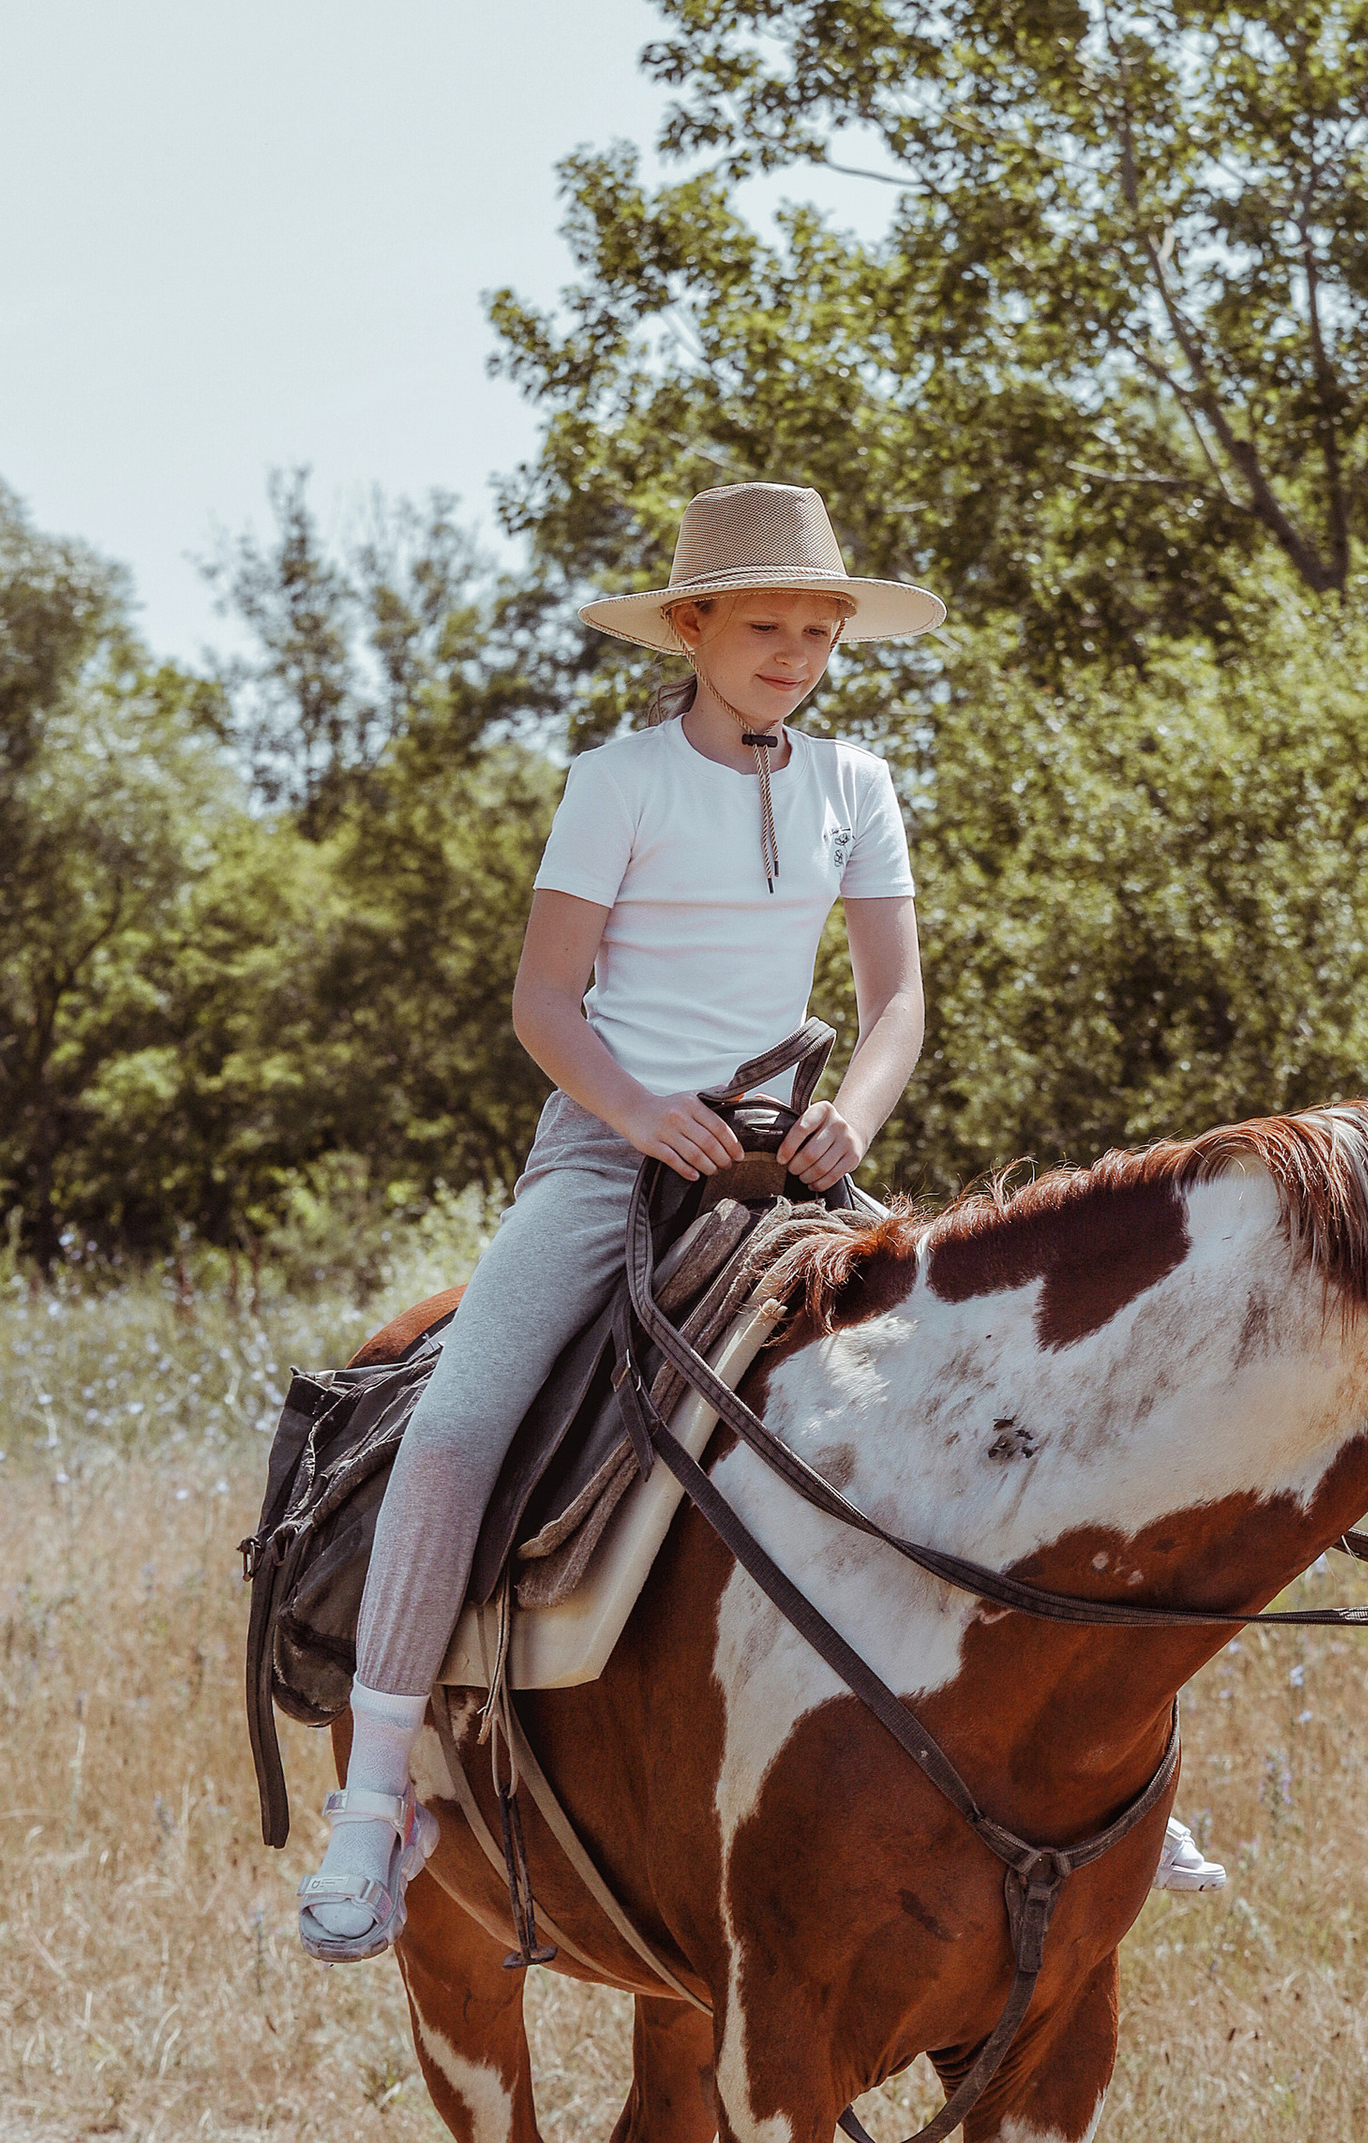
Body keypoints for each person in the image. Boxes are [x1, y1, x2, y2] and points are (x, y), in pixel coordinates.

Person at [298, 482, 1219, 1964]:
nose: (795, 652)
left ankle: (1091, 1762)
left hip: (797, 1162)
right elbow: (543, 1002)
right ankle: (375, 1801)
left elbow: (898, 1001)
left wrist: (857, 1110)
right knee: (461, 1426)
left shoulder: (859, 783)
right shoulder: (620, 782)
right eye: (766, 625)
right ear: (692, 627)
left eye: (818, 627)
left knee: (999, 1399)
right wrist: (635, 1112)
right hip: (613, 1158)